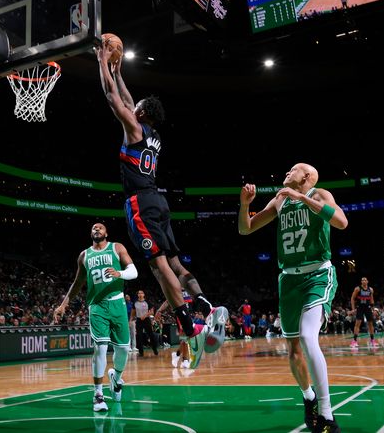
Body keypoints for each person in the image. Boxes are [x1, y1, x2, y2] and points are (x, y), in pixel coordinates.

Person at [96, 41, 227, 367]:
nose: (132, 104)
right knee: (177, 265)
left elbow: (114, 99)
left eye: (136, 106)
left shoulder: (133, 128)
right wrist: (119, 70)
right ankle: (205, 305)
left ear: (141, 113)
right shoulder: (151, 135)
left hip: (140, 202)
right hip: (159, 200)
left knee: (158, 266)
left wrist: (102, 60)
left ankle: (188, 324)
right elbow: (126, 99)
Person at [239, 164, 348, 433]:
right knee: (293, 349)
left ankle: (326, 413)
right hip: (288, 279)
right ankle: (308, 396)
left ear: (307, 178)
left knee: (309, 337)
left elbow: (342, 222)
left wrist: (303, 198)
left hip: (317, 274)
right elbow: (246, 229)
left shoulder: (320, 194)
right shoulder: (279, 200)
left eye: (293, 169)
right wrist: (245, 205)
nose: (287, 172)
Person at [53, 223, 138, 412]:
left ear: (106, 232)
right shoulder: (84, 255)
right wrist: (63, 304)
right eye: (93, 228)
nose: (96, 229)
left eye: (100, 227)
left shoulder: (117, 247)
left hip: (117, 304)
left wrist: (119, 273)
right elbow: (77, 283)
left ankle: (116, 376)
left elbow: (134, 271)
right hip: (97, 306)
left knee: (123, 349)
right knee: (100, 348)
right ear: (90, 233)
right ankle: (98, 395)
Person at [350, 277, 378, 349]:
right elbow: (352, 299)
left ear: (367, 281)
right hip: (360, 307)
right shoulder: (357, 289)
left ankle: (372, 340)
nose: (364, 281)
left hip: (368, 307)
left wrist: (373, 309)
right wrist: (353, 309)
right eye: (362, 280)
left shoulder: (370, 289)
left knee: (370, 323)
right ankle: (354, 341)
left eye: (365, 280)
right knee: (357, 323)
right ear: (361, 282)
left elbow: (371, 299)